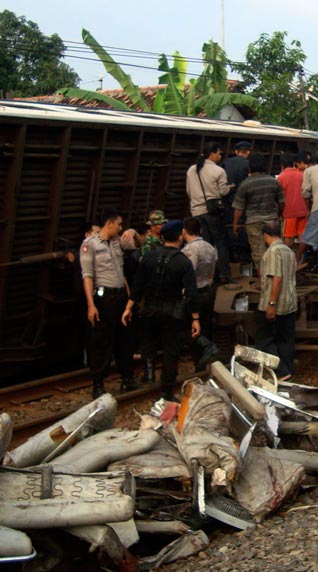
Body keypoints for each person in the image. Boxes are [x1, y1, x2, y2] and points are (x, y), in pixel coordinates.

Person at [124, 220, 199, 397]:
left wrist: (128, 307)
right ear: (180, 237)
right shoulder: (183, 261)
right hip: (172, 312)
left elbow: (138, 286)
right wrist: (195, 318)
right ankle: (167, 389)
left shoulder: (148, 256)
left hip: (149, 310)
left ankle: (149, 373)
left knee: (148, 343)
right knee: (171, 350)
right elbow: (191, 293)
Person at [80, 208, 135, 398]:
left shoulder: (118, 242)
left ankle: (127, 378)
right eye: (119, 224)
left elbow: (139, 246)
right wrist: (91, 305)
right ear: (109, 223)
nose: (120, 228)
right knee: (101, 341)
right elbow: (87, 275)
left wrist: (133, 232)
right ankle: (98, 383)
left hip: (121, 296)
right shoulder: (90, 245)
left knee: (125, 339)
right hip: (104, 298)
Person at [256, 220, 298, 381]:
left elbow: (277, 278)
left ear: (266, 235)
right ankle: (287, 373)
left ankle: (280, 372)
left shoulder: (273, 252)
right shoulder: (289, 251)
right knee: (285, 340)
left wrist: (271, 304)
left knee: (263, 340)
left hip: (276, 304)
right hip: (290, 303)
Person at [186, 141, 232, 283]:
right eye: (219, 154)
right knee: (221, 242)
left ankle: (206, 275)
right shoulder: (219, 171)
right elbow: (223, 191)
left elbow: (189, 191)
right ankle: (224, 274)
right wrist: (230, 188)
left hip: (196, 211)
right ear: (212, 154)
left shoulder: (192, 169)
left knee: (205, 244)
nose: (220, 157)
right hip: (212, 211)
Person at [233, 153, 284, 273]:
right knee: (275, 250)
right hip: (272, 220)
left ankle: (263, 279)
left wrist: (235, 224)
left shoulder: (245, 184)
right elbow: (281, 202)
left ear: (250, 167)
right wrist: (278, 215)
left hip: (253, 222)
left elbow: (239, 209)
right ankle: (277, 276)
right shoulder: (273, 181)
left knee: (259, 253)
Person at [181, 217, 220, 370]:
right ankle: (202, 365)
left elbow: (189, 273)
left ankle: (204, 350)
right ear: (201, 230)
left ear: (184, 231)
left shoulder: (190, 250)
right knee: (204, 326)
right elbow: (213, 270)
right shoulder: (210, 247)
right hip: (207, 290)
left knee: (189, 328)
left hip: (194, 293)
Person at [222, 141, 252, 264]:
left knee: (229, 228)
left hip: (228, 201)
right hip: (244, 203)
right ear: (248, 152)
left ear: (236, 151)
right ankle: (244, 258)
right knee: (243, 228)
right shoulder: (249, 164)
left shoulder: (225, 163)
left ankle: (232, 256)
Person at [278, 153, 308, 248]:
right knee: (302, 236)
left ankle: (288, 256)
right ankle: (300, 256)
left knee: (288, 237)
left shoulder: (281, 177)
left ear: (282, 164)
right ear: (294, 163)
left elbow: (279, 197)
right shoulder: (301, 175)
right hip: (303, 210)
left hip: (289, 212)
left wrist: (279, 213)